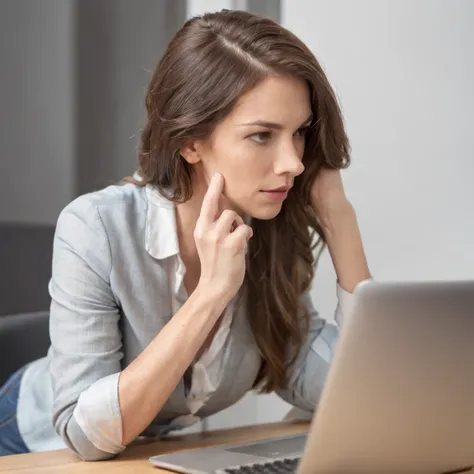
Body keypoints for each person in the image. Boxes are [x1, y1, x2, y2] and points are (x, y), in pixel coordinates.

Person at [0, 9, 371, 459]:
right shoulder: (95, 226)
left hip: (142, 457)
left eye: (299, 134)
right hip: (29, 445)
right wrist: (211, 294)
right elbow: (86, 438)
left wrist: (339, 219)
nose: (293, 162)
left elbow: (363, 395)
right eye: (261, 136)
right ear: (190, 142)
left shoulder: (268, 234)